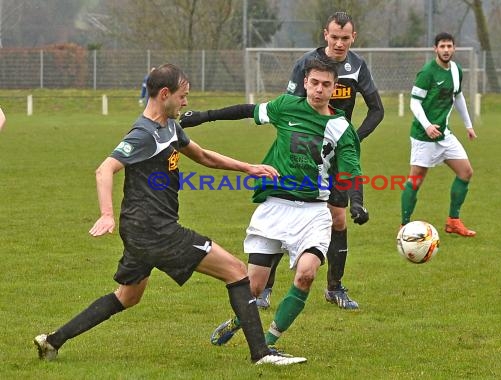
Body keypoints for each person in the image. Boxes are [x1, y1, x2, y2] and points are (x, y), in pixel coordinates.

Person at [33, 63, 306, 366]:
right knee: (237, 271)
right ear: (165, 94)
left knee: (127, 296)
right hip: (155, 230)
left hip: (141, 231)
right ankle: (262, 354)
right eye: (183, 96)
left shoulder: (170, 127)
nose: (186, 102)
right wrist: (106, 214)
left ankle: (52, 341)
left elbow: (203, 156)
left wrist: (248, 167)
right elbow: (105, 169)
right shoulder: (143, 134)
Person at [181, 11, 383, 311]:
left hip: (336, 150)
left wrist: (351, 140)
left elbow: (376, 110)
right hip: (299, 154)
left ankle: (335, 287)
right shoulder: (304, 69)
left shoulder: (357, 68)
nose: (339, 43)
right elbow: (262, 110)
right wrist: (203, 117)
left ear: (353, 38)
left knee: (339, 219)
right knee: (282, 210)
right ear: (325, 35)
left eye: (345, 38)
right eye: (335, 36)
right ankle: (265, 289)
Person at [181, 58, 368, 349]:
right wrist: (204, 116)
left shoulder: (341, 128)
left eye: (326, 84)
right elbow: (247, 111)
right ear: (305, 82)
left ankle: (268, 341)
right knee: (254, 287)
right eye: (314, 82)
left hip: (314, 212)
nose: (319, 89)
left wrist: (357, 202)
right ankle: (238, 321)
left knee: (306, 274)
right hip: (275, 206)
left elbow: (351, 171)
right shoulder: (285, 106)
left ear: (335, 88)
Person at [401, 32, 477, 236]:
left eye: (449, 46)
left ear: (454, 48)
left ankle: (453, 221)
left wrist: (468, 125)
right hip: (423, 136)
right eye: (442, 46)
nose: (446, 50)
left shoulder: (456, 70)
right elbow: (414, 102)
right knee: (416, 180)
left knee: (466, 172)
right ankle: (404, 225)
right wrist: (426, 125)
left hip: (444, 134)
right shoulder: (427, 72)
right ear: (435, 49)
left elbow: (458, 96)